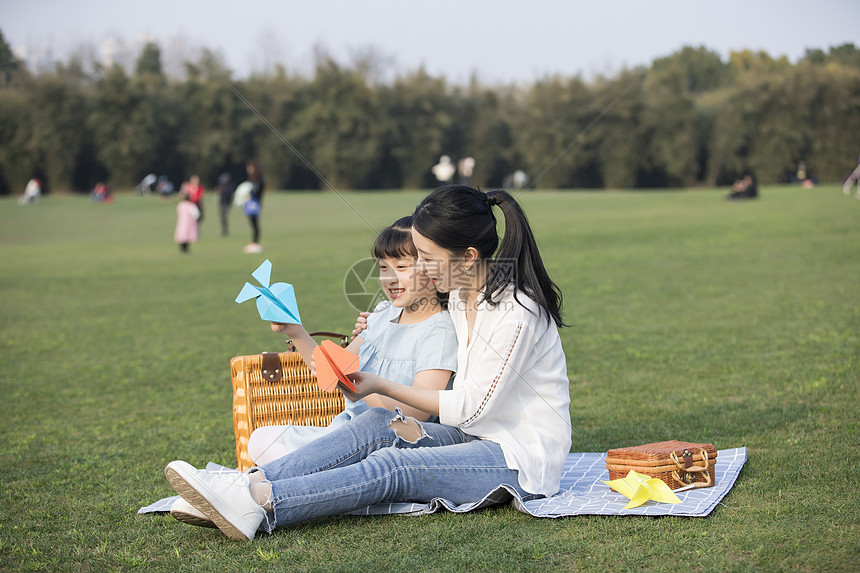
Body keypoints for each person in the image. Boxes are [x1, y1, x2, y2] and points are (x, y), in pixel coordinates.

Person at [164, 184, 572, 540]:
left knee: (396, 466)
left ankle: (259, 501)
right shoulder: (464, 293)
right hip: (472, 436)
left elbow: (471, 406)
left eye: (427, 258)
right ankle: (241, 486)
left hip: (521, 457)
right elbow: (410, 319)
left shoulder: (516, 312)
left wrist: (381, 385)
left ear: (468, 256)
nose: (424, 271)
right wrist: (370, 324)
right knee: (378, 423)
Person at [246, 215, 458, 466]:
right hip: (346, 431)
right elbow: (332, 369)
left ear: (432, 270)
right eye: (382, 267)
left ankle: (318, 476)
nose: (390, 278)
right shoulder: (382, 313)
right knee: (260, 439)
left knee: (286, 456)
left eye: (401, 267)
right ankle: (313, 473)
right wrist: (295, 331)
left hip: (394, 444)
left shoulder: (440, 331)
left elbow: (416, 414)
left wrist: (369, 390)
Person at [243, 160, 264, 254]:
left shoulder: (259, 179)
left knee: (255, 223)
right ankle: (253, 242)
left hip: (255, 203)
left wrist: (250, 193)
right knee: (252, 223)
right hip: (249, 203)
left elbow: (257, 192)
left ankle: (256, 242)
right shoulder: (250, 179)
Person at [174, 189, 200, 254]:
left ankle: (183, 248)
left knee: (182, 235)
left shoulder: (180, 205)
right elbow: (196, 214)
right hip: (189, 223)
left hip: (182, 222)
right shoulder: (191, 205)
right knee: (187, 235)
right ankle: (186, 249)